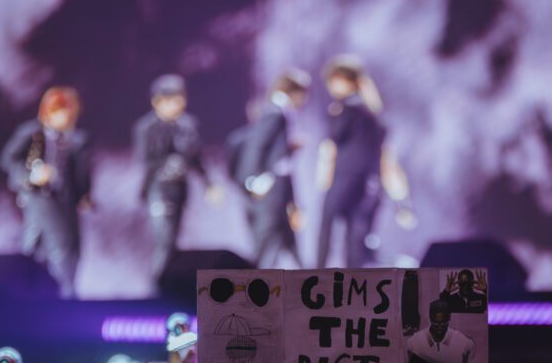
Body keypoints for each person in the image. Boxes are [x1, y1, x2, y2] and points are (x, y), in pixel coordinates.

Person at [0, 87, 91, 297]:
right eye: (62, 111)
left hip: (65, 199)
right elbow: (8, 159)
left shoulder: (73, 140)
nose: (67, 116)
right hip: (39, 196)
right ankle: (64, 293)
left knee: (39, 243)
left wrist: (84, 195)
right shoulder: (31, 133)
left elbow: (79, 173)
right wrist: (30, 176)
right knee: (61, 244)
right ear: (49, 112)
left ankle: (38, 291)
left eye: (70, 111)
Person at [227, 69, 311, 268]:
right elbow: (256, 147)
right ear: (294, 92)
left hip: (278, 193)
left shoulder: (283, 114)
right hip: (268, 193)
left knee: (287, 242)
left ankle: (315, 288)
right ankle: (256, 292)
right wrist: (253, 181)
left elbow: (277, 158)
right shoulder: (274, 113)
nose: (304, 101)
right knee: (267, 244)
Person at [133, 74, 209, 283]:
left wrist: (208, 184)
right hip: (158, 190)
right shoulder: (146, 128)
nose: (178, 104)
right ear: (157, 102)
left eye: (181, 98)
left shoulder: (188, 125)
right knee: (164, 242)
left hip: (179, 190)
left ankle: (168, 286)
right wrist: (169, 162)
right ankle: (157, 288)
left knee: (173, 242)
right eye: (172, 99)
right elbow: (145, 160)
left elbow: (196, 158)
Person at [316, 55, 386, 268]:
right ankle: (354, 284)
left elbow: (335, 136)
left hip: (344, 177)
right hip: (367, 180)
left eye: (332, 81)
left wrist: (334, 114)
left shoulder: (345, 109)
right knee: (354, 234)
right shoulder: (371, 111)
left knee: (326, 228)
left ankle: (313, 276)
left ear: (343, 80)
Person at [398, 299, 476, 363]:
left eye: (443, 323)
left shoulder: (464, 343)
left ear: (449, 319)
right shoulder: (414, 343)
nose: (439, 327)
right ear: (430, 319)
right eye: (436, 323)